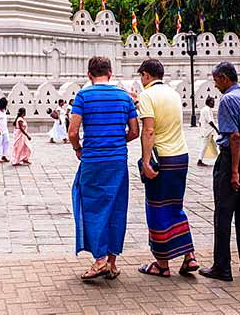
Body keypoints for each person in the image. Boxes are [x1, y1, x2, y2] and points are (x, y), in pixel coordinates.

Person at [69, 56, 139, 281]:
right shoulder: (124, 97)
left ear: (89, 75)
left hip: (92, 160)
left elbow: (72, 131)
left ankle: (99, 260)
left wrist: (78, 149)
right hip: (117, 161)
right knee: (116, 208)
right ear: (110, 73)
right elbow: (135, 131)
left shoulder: (83, 96)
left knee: (91, 207)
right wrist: (117, 142)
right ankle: (111, 262)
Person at [134, 59, 199, 278]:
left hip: (162, 160)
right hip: (181, 156)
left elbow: (149, 131)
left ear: (145, 75)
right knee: (175, 207)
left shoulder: (147, 95)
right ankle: (189, 256)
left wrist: (145, 162)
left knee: (157, 209)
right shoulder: (172, 93)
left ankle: (162, 264)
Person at [200, 62, 240, 282]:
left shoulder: (227, 100)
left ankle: (222, 267)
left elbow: (234, 137)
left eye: (216, 80)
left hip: (232, 159)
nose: (215, 85)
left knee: (224, 213)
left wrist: (234, 171)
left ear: (225, 78)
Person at [197, 96, 219, 167]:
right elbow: (210, 121)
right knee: (205, 146)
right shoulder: (206, 110)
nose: (214, 104)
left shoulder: (204, 109)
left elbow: (200, 121)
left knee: (213, 145)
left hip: (207, 130)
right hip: (208, 131)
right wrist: (216, 129)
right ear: (209, 102)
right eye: (213, 102)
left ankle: (219, 159)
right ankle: (199, 160)